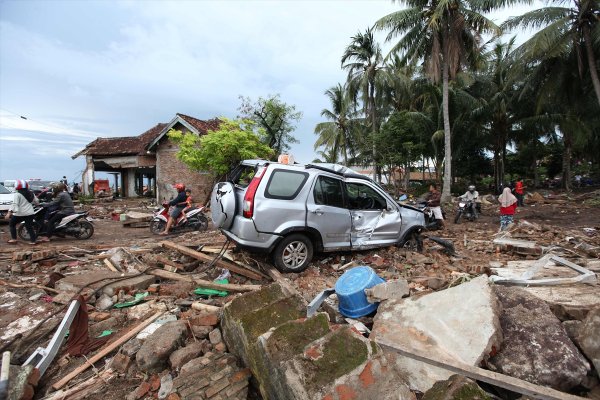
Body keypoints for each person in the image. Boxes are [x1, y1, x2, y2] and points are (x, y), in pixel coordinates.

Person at [5, 180, 38, 245]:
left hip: (20, 213)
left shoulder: (17, 194)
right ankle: (33, 241)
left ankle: (14, 239)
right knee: (29, 227)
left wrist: (9, 213)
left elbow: (15, 204)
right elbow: (37, 202)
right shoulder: (31, 193)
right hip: (30, 213)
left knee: (12, 224)